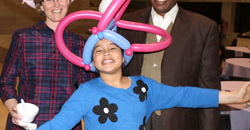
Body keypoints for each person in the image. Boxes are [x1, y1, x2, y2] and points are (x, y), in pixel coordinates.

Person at [36, 37, 250, 130]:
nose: (106, 53)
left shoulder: (143, 87)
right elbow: (59, 125)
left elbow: (185, 95)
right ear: (92, 62)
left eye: (112, 48)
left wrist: (234, 97)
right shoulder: (86, 92)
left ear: (123, 55)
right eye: (99, 50)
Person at [118, 0, 221, 130]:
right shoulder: (128, 22)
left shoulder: (203, 28)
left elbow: (209, 88)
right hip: (133, 117)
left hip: (178, 120)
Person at [0, 0, 94, 129]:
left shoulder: (80, 43)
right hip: (28, 124)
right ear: (41, 6)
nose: (56, 4)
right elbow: (5, 82)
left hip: (66, 124)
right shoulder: (23, 38)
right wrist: (15, 110)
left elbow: (88, 88)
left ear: (69, 0)